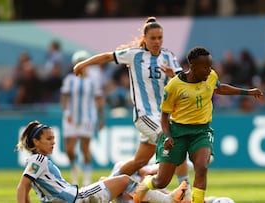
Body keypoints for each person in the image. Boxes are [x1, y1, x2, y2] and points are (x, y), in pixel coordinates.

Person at [73, 16, 191, 198]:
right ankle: (186, 192)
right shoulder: (134, 55)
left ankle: (107, 184)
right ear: (145, 38)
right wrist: (83, 63)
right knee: (174, 139)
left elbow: (182, 81)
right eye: (153, 38)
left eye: (160, 38)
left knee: (139, 161)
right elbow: (106, 56)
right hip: (144, 115)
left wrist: (173, 76)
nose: (157, 42)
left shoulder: (168, 56)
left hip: (163, 116)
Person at [133, 46, 264, 203]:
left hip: (201, 131)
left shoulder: (211, 76)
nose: (209, 70)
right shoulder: (174, 86)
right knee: (161, 181)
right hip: (177, 132)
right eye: (205, 67)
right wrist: (167, 136)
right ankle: (145, 185)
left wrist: (247, 92)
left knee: (201, 168)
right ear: (193, 66)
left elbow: (219, 88)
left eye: (210, 66)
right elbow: (164, 116)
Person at [16, 120, 183, 203]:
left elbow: (27, 189)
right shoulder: (38, 159)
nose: (53, 142)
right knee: (125, 180)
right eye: (48, 139)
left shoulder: (37, 162)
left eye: (53, 138)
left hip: (75, 198)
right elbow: (22, 187)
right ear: (36, 142)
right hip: (77, 199)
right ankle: (167, 200)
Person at [61, 50, 105, 186]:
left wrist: (101, 119)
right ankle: (74, 169)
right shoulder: (69, 80)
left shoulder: (93, 82)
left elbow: (98, 101)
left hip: (88, 118)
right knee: (69, 149)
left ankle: (87, 176)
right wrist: (67, 112)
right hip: (71, 118)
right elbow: (65, 98)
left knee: (85, 148)